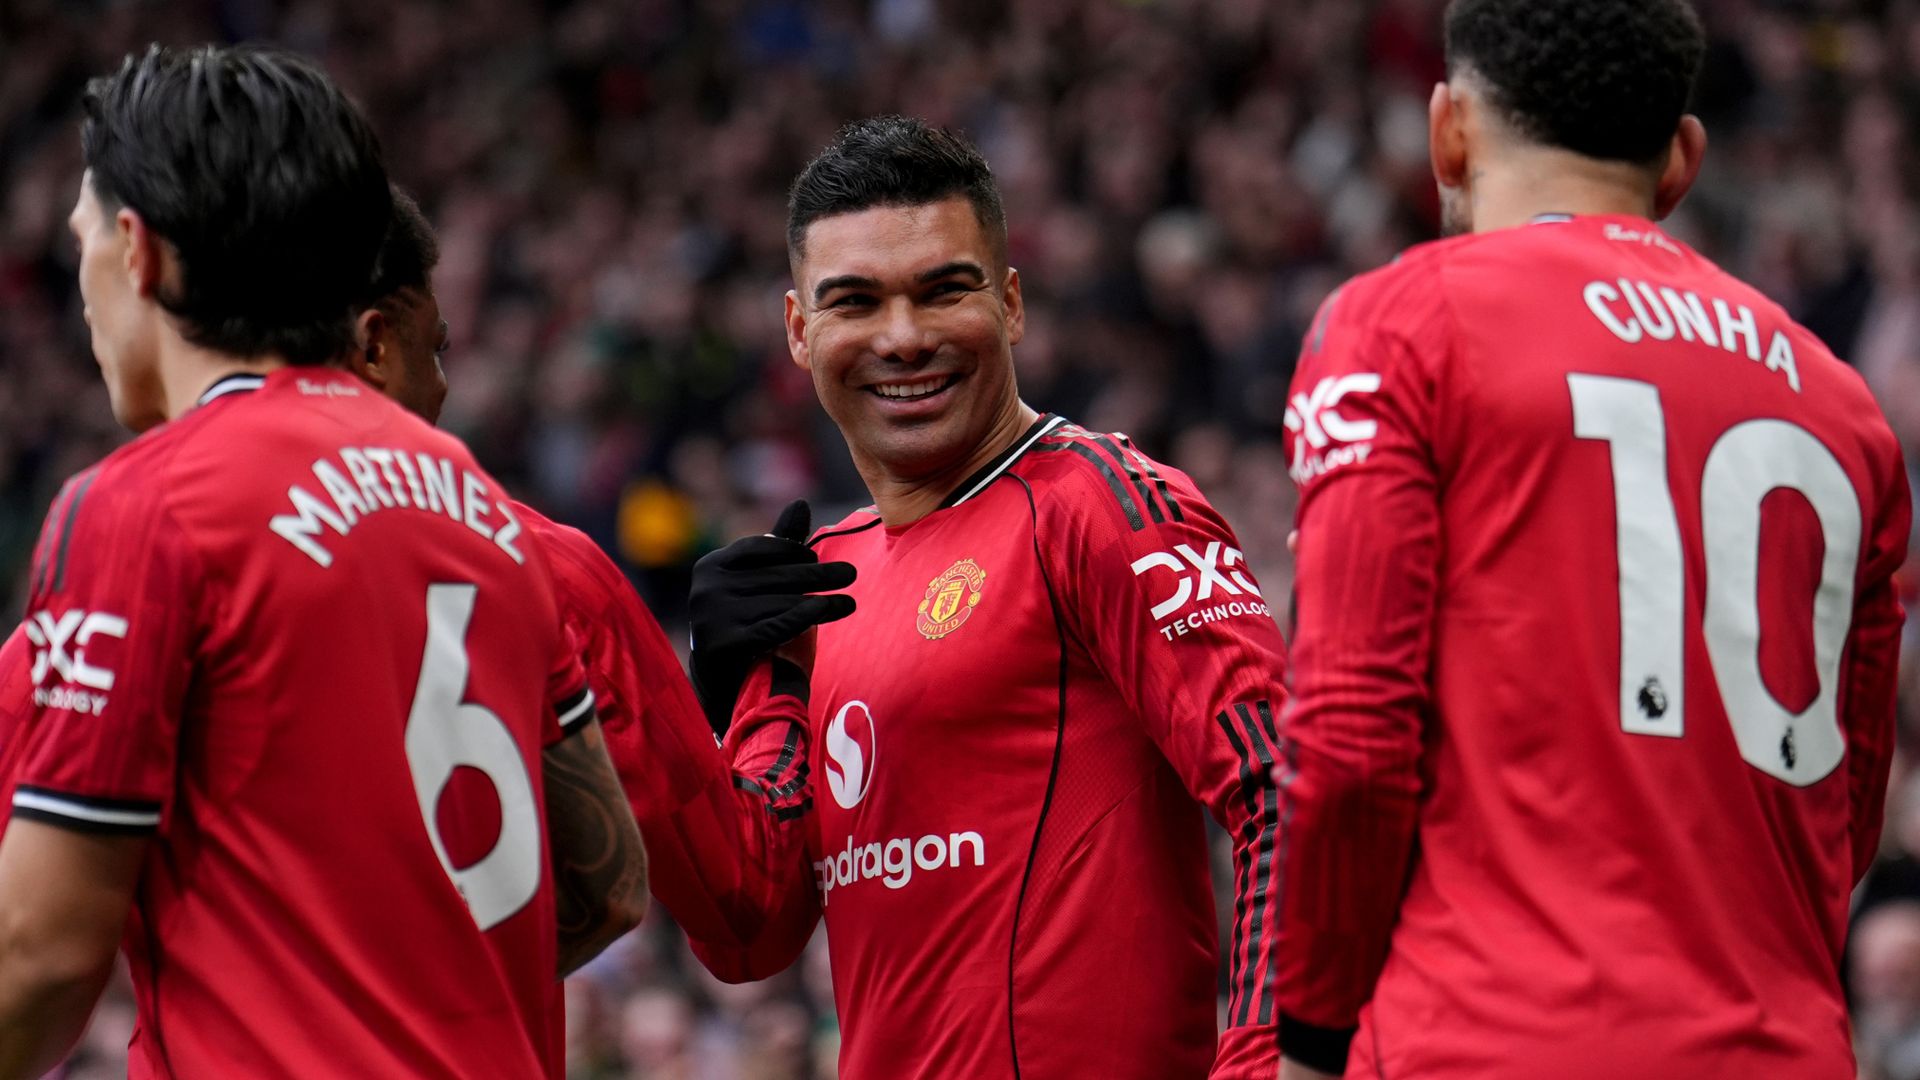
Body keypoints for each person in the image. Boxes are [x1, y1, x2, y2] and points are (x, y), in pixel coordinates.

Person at [1272, 1, 1910, 1077]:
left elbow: (1348, 742)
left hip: (1487, 1037)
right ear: (1683, 161)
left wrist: (1309, 1034)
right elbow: (1842, 816)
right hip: (1780, 1046)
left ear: (1448, 133)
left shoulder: (1403, 322)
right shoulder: (1846, 407)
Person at [0, 45, 645, 1078]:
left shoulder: (142, 505)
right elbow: (608, 885)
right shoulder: (483, 508)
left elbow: (40, 959)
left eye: (80, 243)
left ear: (136, 252)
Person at [681, 115, 1291, 1079]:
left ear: (1009, 303)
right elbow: (749, 934)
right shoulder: (818, 581)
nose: (904, 338)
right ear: (800, 331)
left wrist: (1268, 1063)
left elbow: (1288, 788)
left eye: (943, 290)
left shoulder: (1105, 505)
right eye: (855, 302)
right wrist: (739, 704)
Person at [345, 188, 807, 1071]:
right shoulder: (542, 570)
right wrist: (772, 683)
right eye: (436, 348)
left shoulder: (128, 547)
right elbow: (747, 909)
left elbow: (61, 942)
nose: (444, 387)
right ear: (374, 346)